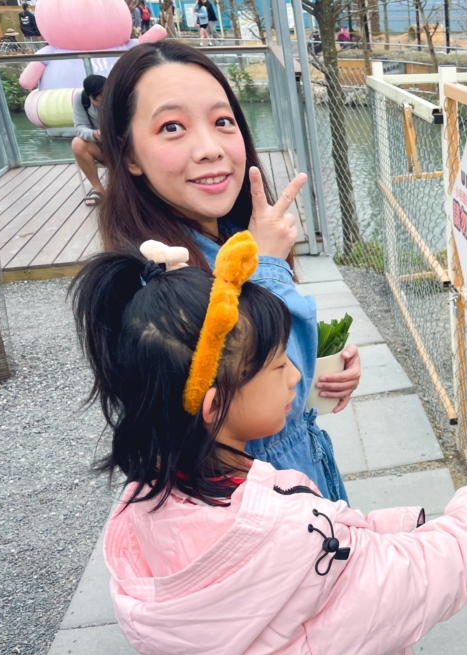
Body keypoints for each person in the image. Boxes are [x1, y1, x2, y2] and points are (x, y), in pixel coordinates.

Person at [69, 235, 467, 655]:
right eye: (279, 365)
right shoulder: (291, 540)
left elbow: (334, 572)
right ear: (215, 406)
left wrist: (376, 532)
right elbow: (409, 585)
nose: (297, 375)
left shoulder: (147, 505)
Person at [98, 41, 359, 502]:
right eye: (172, 127)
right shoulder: (159, 282)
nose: (210, 149)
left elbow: (284, 386)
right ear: (130, 154)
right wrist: (272, 267)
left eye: (223, 122)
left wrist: (318, 366)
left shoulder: (234, 237)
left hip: (300, 472)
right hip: (262, 506)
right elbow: (259, 406)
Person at [72, 74, 107, 207]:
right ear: (89, 97)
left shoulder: (120, 96)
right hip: (102, 147)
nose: (102, 103)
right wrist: (95, 134)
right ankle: (98, 188)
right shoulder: (81, 99)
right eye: (97, 101)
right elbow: (79, 127)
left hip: (123, 148)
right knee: (77, 143)